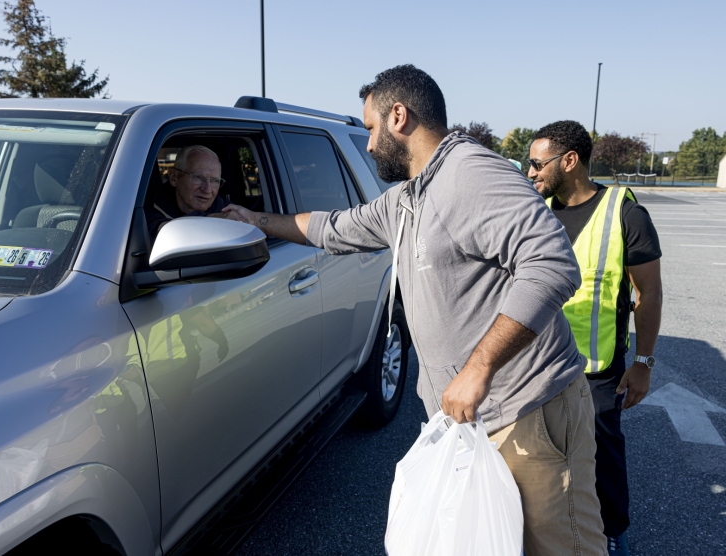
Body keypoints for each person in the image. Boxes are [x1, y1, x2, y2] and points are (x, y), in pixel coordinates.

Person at [223, 64, 607, 556]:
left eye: (369, 129)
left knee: (558, 548)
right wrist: (253, 218)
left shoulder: (470, 173)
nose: (365, 145)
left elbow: (553, 264)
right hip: (473, 421)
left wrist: (479, 367)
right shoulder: (407, 197)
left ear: (398, 116)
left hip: (530, 411)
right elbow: (333, 228)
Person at [529, 121, 663, 556]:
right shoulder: (534, 210)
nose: (531, 173)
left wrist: (643, 363)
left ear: (569, 161)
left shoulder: (625, 214)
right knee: (538, 455)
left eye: (536, 163)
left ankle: (610, 531)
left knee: (602, 454)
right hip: (536, 362)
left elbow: (649, 291)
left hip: (596, 367)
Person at [146, 145, 228, 237]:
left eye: (214, 180)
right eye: (198, 177)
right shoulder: (144, 210)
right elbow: (163, 232)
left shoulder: (225, 208)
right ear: (174, 177)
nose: (207, 190)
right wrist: (216, 220)